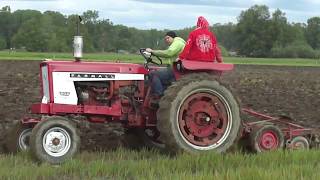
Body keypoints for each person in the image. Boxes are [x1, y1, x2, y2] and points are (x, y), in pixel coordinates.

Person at [146, 31, 186, 97]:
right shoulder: (177, 43)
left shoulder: (177, 43)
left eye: (168, 38)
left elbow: (168, 53)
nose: (166, 40)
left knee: (153, 74)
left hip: (176, 69)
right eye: (165, 39)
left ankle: (159, 94)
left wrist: (153, 51)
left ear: (173, 37)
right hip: (176, 67)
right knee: (155, 72)